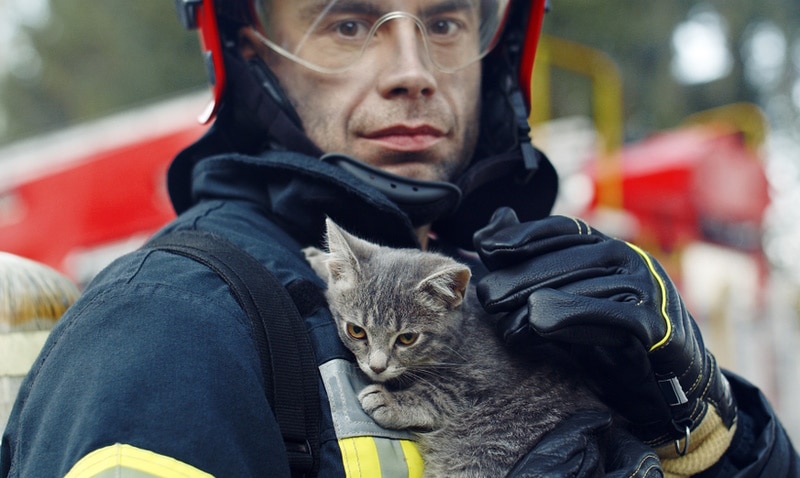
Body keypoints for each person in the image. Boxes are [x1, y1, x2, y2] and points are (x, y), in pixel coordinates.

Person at [1, 0, 797, 476]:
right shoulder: (168, 329)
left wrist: (706, 425)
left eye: (446, 21)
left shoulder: (531, 290)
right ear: (250, 55)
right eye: (350, 23)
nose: (413, 69)